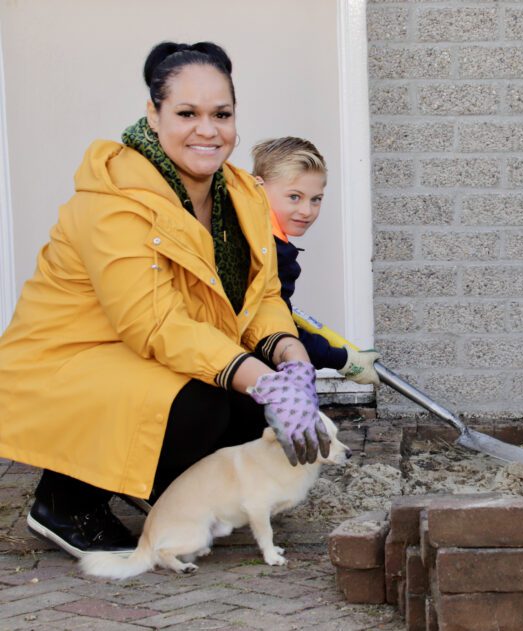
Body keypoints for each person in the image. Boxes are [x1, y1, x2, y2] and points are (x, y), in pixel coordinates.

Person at [0, 42, 329, 559]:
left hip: (145, 356)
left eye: (221, 114)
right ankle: (63, 503)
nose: (208, 130)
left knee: (244, 406)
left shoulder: (237, 193)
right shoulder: (112, 204)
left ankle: (161, 487)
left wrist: (291, 356)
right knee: (197, 402)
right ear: (153, 115)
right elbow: (154, 325)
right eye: (186, 113)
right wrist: (261, 379)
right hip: (71, 361)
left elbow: (260, 293)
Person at [250, 137, 380, 385]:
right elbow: (279, 336)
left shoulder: (259, 236)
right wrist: (342, 359)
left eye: (316, 199)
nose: (307, 211)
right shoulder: (270, 252)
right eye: (294, 197)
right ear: (258, 187)